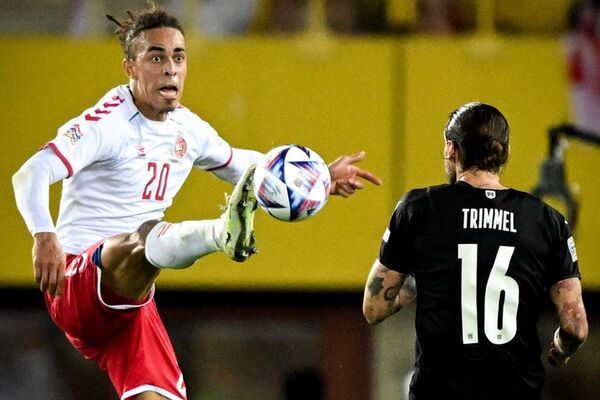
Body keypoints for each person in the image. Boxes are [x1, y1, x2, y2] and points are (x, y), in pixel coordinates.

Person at [11, 4, 381, 400]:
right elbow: (31, 173)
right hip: (77, 283)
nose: (170, 68)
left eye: (178, 57)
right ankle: (221, 233)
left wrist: (317, 176)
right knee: (143, 238)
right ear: (130, 69)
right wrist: (43, 234)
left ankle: (219, 232)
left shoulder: (189, 129)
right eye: (156, 57)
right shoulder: (105, 123)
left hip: (133, 306)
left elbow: (245, 167)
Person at [362, 102, 588, 399]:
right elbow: (575, 325)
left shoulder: (419, 209)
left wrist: (427, 279)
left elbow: (374, 308)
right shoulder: (547, 221)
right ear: (505, 153)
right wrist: (560, 349)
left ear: (450, 149)